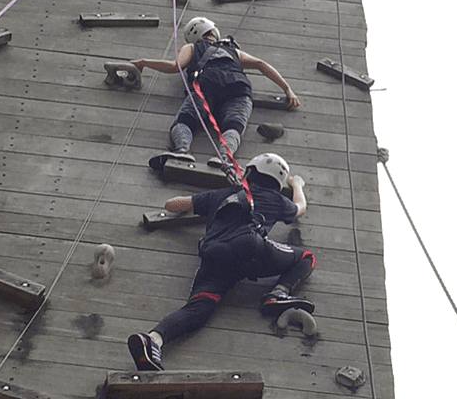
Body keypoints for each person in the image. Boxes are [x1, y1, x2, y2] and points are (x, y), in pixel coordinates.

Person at [127, 153, 316, 371]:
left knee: (198, 308)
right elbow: (300, 207)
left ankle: (153, 340)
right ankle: (278, 294)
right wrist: (297, 184)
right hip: (250, 250)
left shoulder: (222, 194)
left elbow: (172, 204)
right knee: (305, 257)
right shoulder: (276, 200)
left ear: (249, 172)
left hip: (215, 258)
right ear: (277, 184)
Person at [130, 17, 300, 170]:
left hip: (206, 85)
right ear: (212, 30)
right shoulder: (232, 49)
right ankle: (224, 157)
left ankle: (182, 149)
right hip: (238, 88)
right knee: (234, 125)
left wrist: (144, 62)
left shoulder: (192, 47)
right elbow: (260, 64)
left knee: (185, 121)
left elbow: (175, 66)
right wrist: (287, 89)